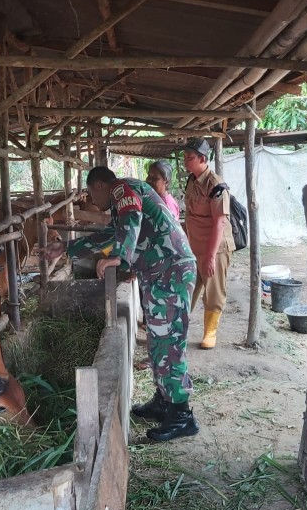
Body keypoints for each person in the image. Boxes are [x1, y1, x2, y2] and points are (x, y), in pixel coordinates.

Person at [42, 166, 199, 441]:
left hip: (171, 270)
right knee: (158, 340)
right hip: (161, 272)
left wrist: (120, 257)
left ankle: (182, 414)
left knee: (169, 342)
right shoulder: (122, 201)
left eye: (91, 193)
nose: (92, 200)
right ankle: (164, 400)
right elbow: (111, 234)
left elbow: (131, 218)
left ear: (100, 186)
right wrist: (67, 248)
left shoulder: (122, 190)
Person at [183, 138, 235, 349]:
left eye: (190, 157)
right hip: (194, 247)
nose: (186, 161)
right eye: (185, 157)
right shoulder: (191, 180)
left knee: (213, 291)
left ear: (203, 159)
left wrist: (211, 257)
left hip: (215, 248)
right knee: (187, 288)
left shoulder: (215, 186)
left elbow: (220, 222)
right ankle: (179, 329)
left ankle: (210, 333)